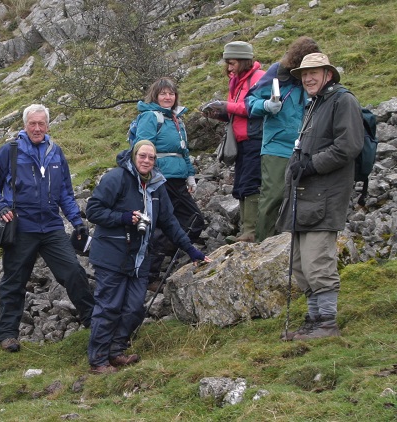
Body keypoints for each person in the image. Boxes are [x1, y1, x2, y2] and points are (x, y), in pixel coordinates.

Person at [85, 140, 210, 374]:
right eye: (142, 156)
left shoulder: (157, 185)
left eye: (151, 158)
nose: (146, 161)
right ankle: (98, 360)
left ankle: (116, 351)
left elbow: (170, 222)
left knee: (133, 308)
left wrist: (192, 250)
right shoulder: (117, 178)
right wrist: (123, 218)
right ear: (134, 156)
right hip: (112, 255)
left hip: (140, 258)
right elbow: (93, 210)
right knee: (109, 306)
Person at [0, 103, 95, 352]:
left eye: (41, 123)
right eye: (32, 123)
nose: (36, 128)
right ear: (25, 125)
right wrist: (1, 206)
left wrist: (76, 221)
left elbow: (66, 192)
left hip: (52, 226)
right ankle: (8, 334)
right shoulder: (10, 151)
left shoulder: (56, 153)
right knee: (14, 281)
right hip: (20, 227)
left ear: (47, 125)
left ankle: (93, 319)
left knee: (74, 272)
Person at [277, 53, 363, 340]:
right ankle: (314, 321)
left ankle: (327, 323)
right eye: (304, 74)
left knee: (317, 262)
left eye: (314, 72)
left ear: (328, 73)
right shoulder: (315, 103)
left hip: (326, 195)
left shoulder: (342, 100)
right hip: (305, 195)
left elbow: (349, 146)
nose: (308, 78)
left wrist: (312, 165)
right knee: (302, 266)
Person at [132, 77, 206, 288]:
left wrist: (190, 176)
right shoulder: (150, 117)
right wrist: (150, 176)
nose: (168, 97)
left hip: (177, 179)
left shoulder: (176, 119)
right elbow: (143, 148)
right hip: (161, 180)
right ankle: (151, 274)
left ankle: (157, 262)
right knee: (178, 222)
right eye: (163, 93)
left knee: (185, 221)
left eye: (171, 94)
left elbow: (184, 151)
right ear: (155, 96)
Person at [246, 37, 321, 242]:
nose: (306, 76)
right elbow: (250, 101)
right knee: (273, 197)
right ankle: (264, 244)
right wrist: (267, 105)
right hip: (276, 146)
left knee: (302, 197)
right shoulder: (278, 73)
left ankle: (293, 244)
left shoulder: (317, 80)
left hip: (307, 147)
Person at [203, 41, 265, 242]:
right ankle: (245, 231)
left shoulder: (259, 79)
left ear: (244, 60)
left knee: (251, 182)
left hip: (256, 138)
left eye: (232, 63)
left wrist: (227, 106)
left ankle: (251, 231)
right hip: (241, 141)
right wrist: (220, 114)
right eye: (227, 63)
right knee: (241, 184)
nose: (229, 68)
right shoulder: (236, 81)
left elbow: (254, 108)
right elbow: (237, 112)